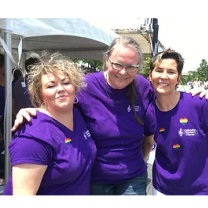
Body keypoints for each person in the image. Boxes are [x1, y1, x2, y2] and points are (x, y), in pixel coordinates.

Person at [10, 37, 208, 195]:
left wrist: (202, 94)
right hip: (95, 178)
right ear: (107, 60)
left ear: (139, 68)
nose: (123, 72)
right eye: (118, 64)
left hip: (133, 177)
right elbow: (59, 100)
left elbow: (164, 106)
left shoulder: (142, 87)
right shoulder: (85, 87)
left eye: (131, 66)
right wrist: (33, 111)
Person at [3, 52, 97, 195]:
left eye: (66, 82)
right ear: (40, 94)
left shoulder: (79, 114)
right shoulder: (32, 136)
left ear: (75, 87)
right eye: (51, 86)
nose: (60, 89)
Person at [149, 49, 208, 195]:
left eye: (170, 72)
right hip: (162, 190)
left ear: (178, 78)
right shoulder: (146, 109)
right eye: (159, 70)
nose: (164, 76)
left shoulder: (199, 103)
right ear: (150, 75)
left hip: (199, 190)